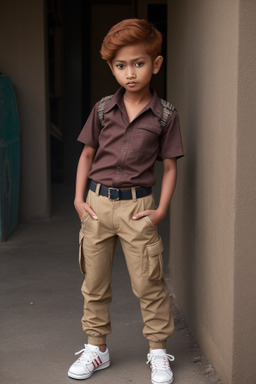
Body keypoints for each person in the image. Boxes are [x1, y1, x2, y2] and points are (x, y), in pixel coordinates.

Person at [68, 18, 184, 384]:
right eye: (121, 66)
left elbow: (169, 167)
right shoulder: (103, 109)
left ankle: (158, 351)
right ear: (111, 68)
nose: (130, 73)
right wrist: (77, 199)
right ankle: (96, 348)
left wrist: (161, 210)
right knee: (95, 282)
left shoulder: (165, 115)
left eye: (139, 63)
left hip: (138, 209)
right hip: (97, 205)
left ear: (157, 64)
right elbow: (86, 156)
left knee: (149, 283)